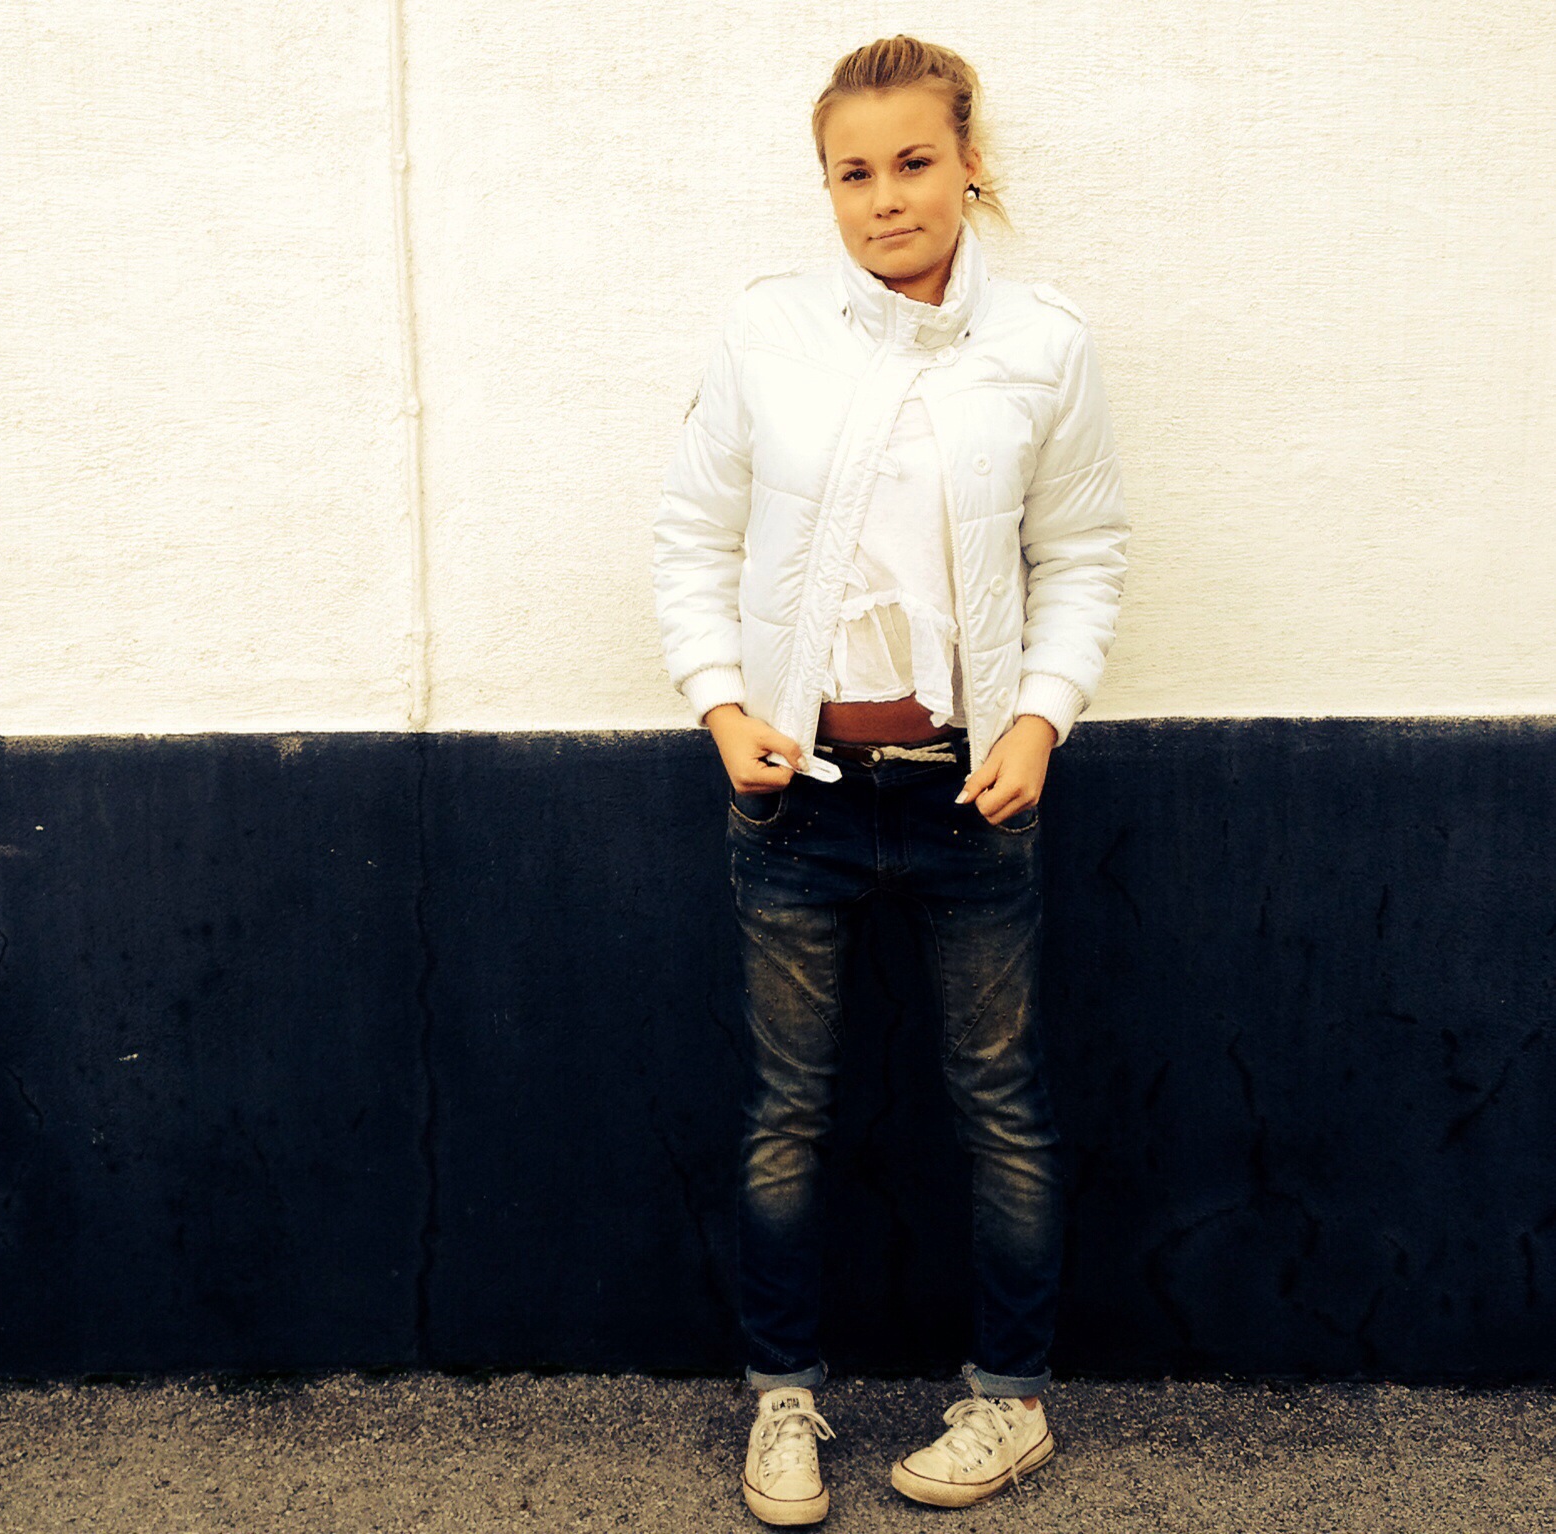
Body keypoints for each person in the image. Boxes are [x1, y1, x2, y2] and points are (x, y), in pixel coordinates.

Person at [651, 35, 1130, 1523]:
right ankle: (781, 1400)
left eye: (914, 161)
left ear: (970, 163)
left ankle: (1010, 1403)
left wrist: (1039, 720)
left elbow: (1082, 553)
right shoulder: (768, 332)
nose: (884, 198)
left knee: (1001, 1107)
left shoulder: (1041, 343)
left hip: (970, 800)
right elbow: (693, 538)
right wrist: (720, 706)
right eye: (851, 172)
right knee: (784, 1115)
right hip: (794, 797)